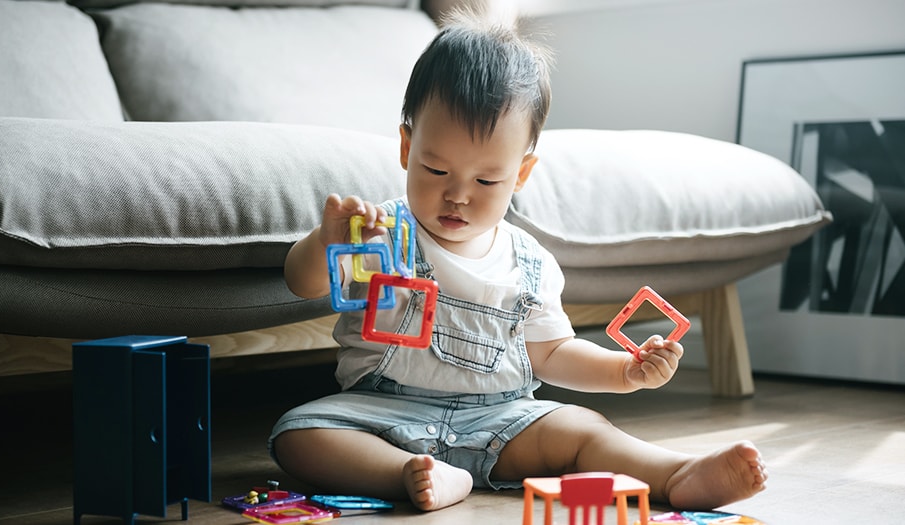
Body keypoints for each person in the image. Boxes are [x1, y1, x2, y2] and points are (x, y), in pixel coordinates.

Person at [269, 8, 768, 512]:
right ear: (406, 147)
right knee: (298, 434)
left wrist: (625, 372)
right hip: (380, 416)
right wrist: (325, 242)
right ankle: (409, 473)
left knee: (581, 429)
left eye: (487, 180)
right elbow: (301, 282)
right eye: (435, 168)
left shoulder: (530, 263)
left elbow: (552, 354)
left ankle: (676, 473)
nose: (458, 195)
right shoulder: (376, 231)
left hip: (503, 423)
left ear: (522, 174)